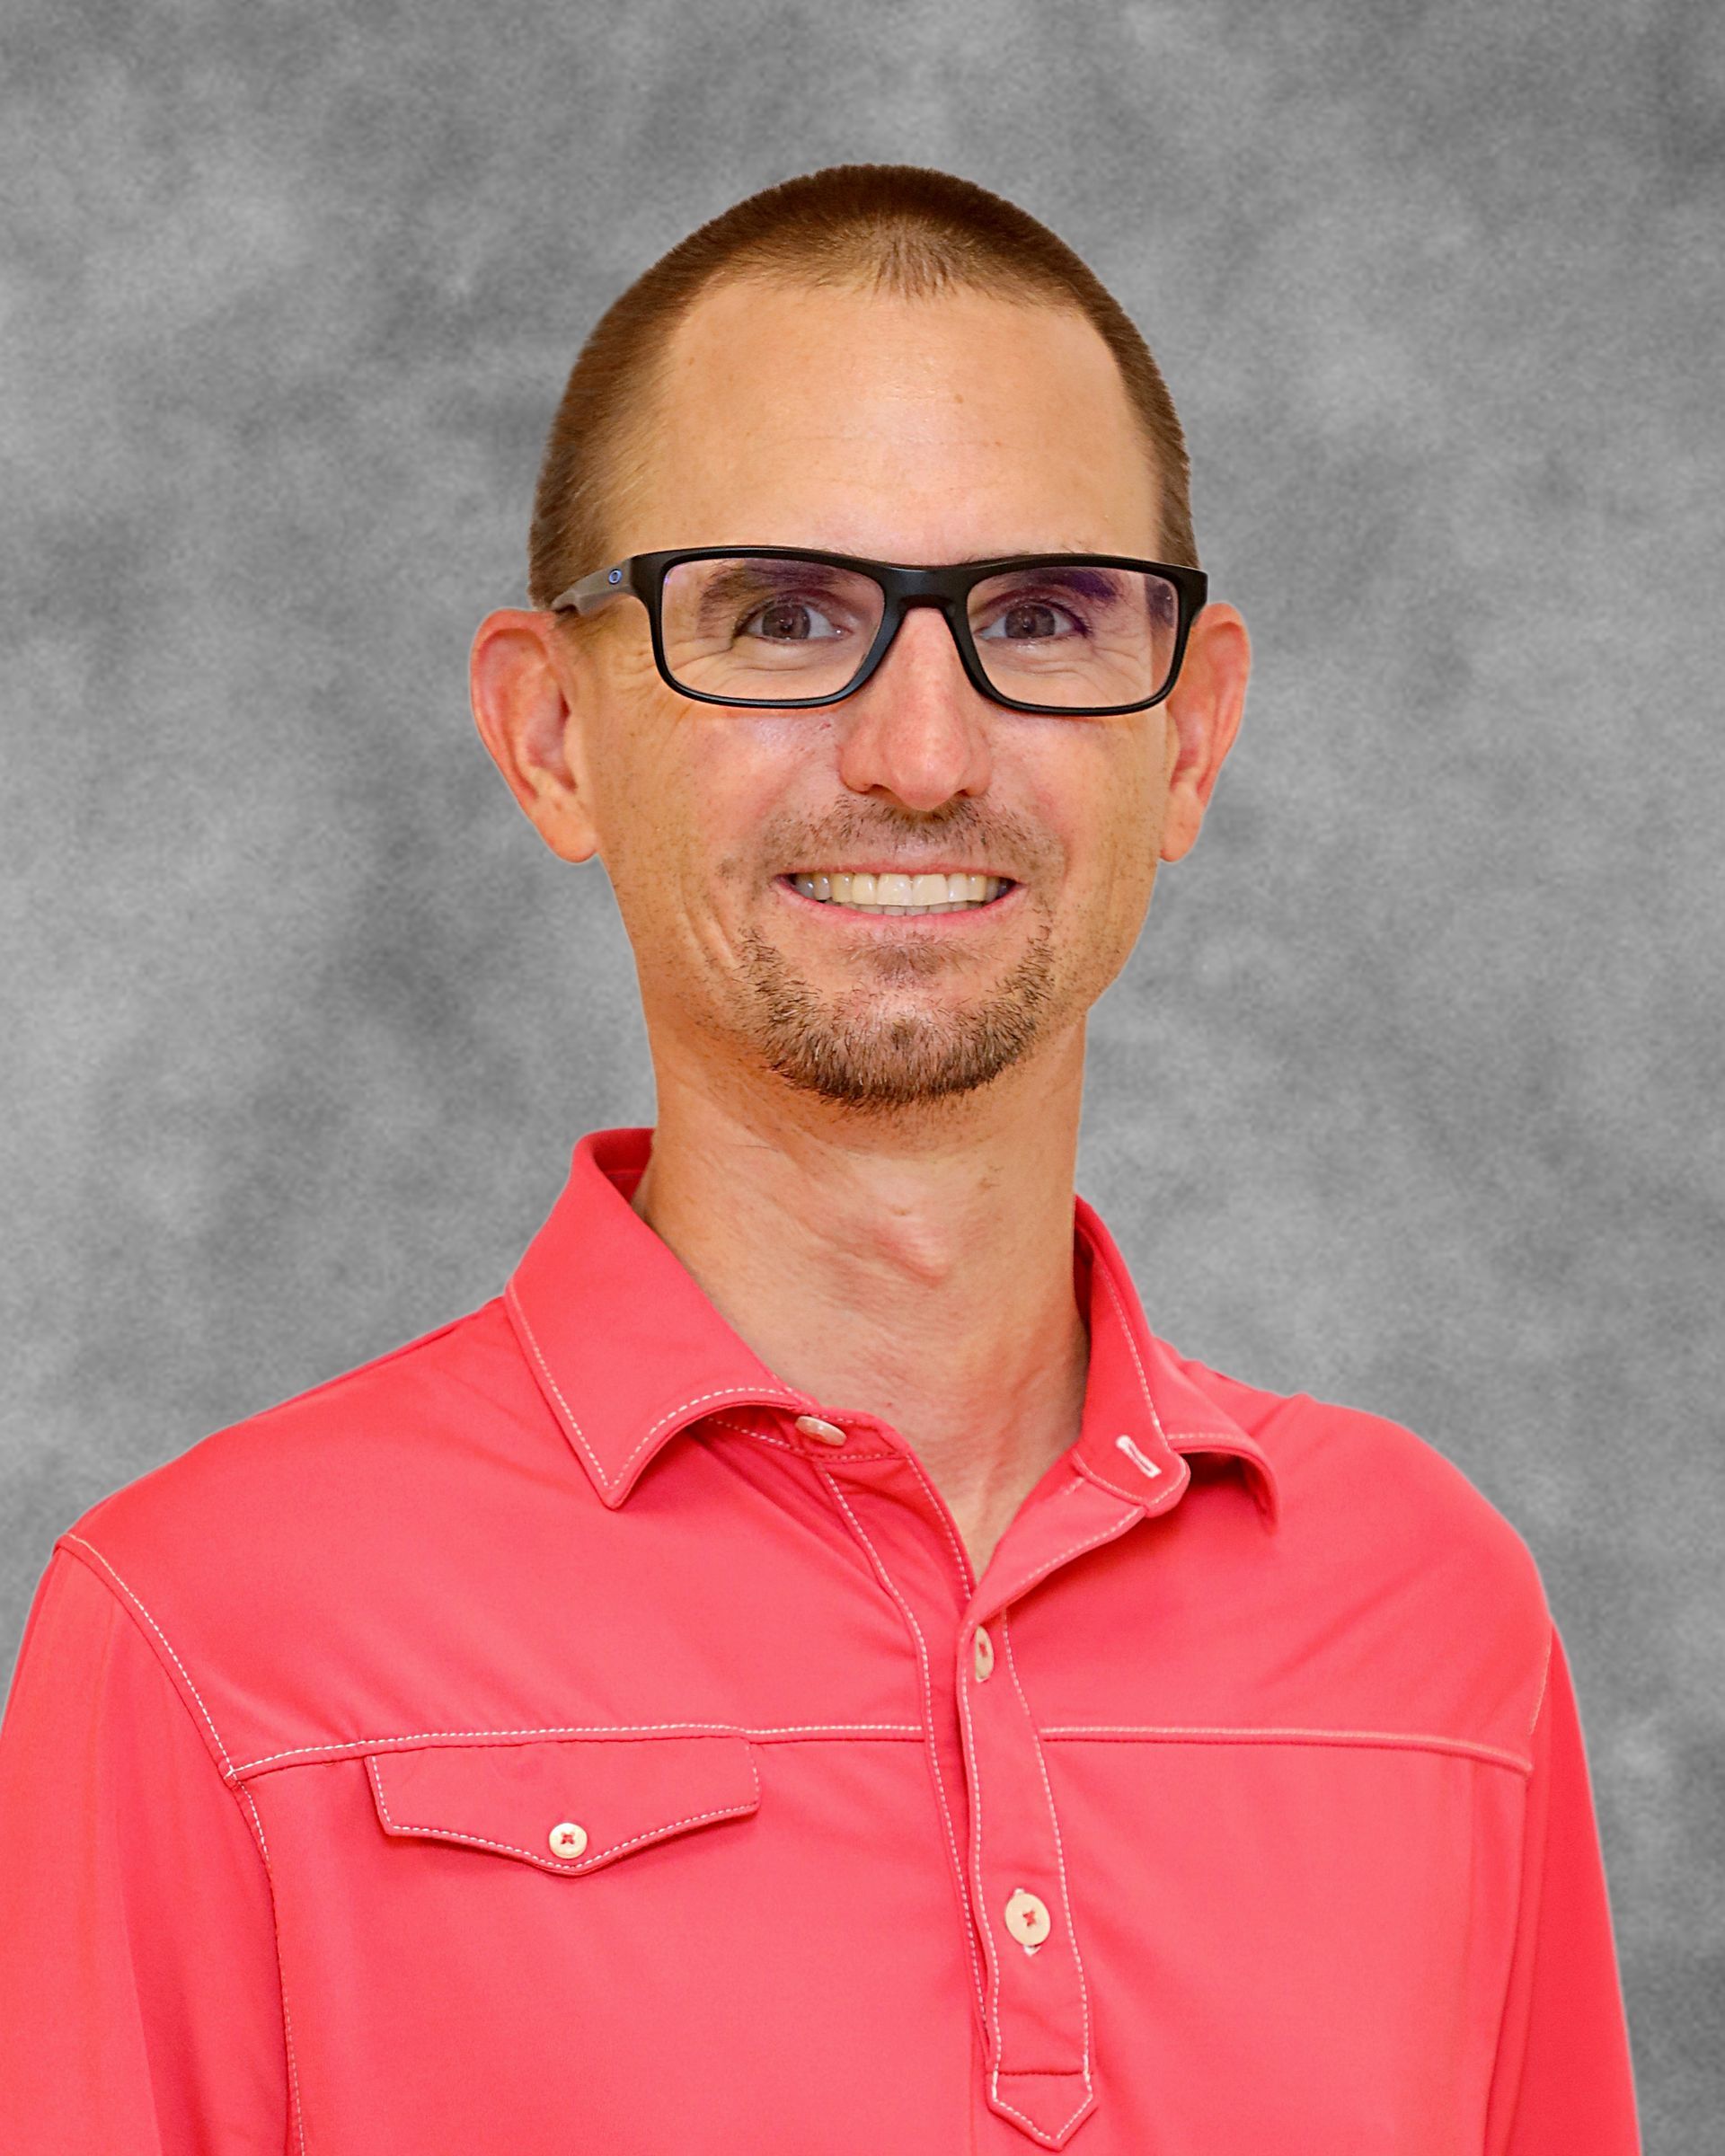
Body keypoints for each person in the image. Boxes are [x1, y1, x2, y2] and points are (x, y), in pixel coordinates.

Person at [0, 163, 1640, 2154]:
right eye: (784, 618)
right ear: (550, 739)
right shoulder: (209, 1641)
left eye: (1040, 615)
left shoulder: (1436, 1618)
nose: (922, 754)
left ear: (1189, 744)